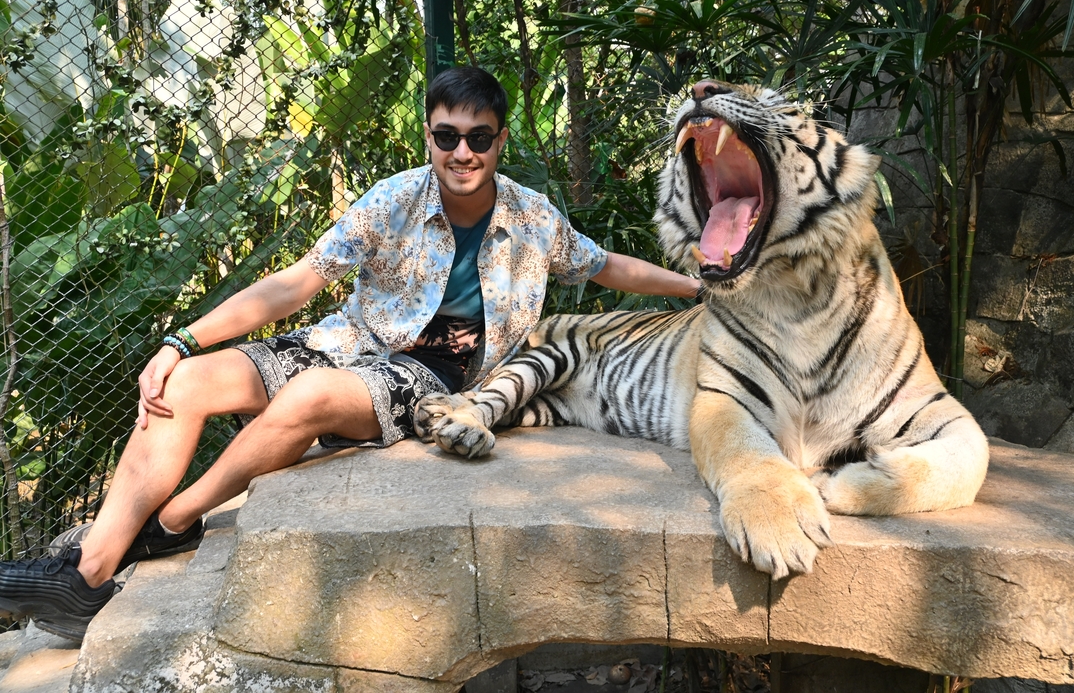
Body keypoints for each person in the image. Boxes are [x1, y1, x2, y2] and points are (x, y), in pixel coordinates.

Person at [0, 66, 700, 640]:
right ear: (428, 136)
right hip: (350, 342)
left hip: (435, 375)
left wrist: (698, 284)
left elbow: (607, 265)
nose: (463, 153)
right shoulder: (392, 199)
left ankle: (173, 524)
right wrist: (181, 340)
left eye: (479, 138)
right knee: (183, 386)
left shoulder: (532, 217)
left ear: (500, 139)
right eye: (447, 136)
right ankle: (86, 577)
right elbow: (297, 283)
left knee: (305, 400)